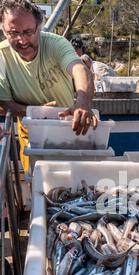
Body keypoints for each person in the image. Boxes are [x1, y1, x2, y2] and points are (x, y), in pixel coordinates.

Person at [0, 0, 97, 173]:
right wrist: (36, 112)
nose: (22, 40)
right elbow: (5, 103)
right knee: (38, 180)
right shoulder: (1, 56)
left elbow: (79, 69)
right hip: (30, 129)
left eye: (28, 32)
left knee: (74, 177)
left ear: (39, 26)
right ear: (3, 29)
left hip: (70, 123)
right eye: (13, 33)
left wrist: (83, 103)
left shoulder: (56, 44)